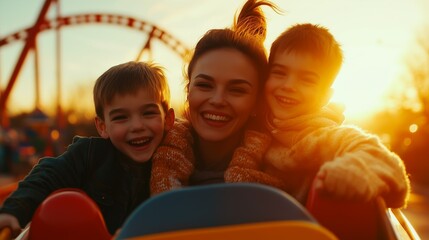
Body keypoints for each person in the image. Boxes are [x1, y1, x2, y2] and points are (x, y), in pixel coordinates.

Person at [224, 23, 410, 208]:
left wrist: (354, 171)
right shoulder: (251, 123)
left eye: (307, 80)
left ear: (326, 96)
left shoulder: (325, 136)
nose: (289, 85)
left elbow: (388, 165)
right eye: (280, 73)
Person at [0, 61, 175, 237]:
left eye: (149, 113)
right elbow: (47, 175)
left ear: (167, 119)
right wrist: (14, 210)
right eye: (121, 117)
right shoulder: (90, 154)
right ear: (102, 126)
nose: (137, 126)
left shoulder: (176, 158)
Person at [150, 0, 280, 195]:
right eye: (204, 85)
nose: (218, 100)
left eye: (237, 90)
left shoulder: (284, 165)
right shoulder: (144, 150)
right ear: (188, 91)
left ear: (257, 103)